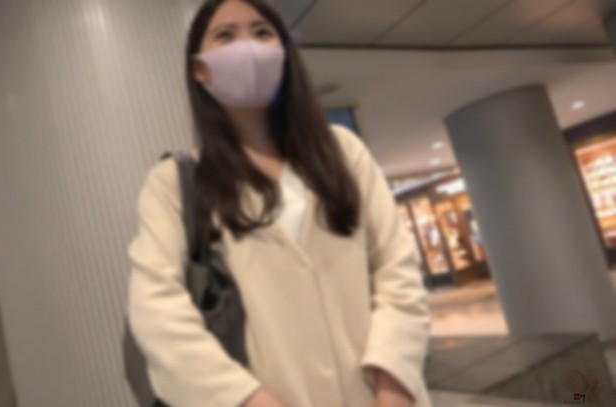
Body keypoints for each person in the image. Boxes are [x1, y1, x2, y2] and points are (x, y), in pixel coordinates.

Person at [127, 1, 431, 406]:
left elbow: (397, 267)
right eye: (225, 35)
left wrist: (393, 383)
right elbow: (157, 311)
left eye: (262, 32)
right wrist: (247, 399)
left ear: (284, 54)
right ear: (199, 69)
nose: (248, 48)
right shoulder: (174, 183)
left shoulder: (343, 152)